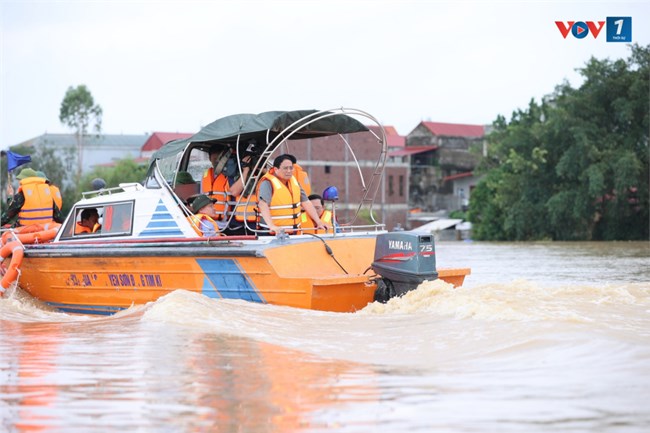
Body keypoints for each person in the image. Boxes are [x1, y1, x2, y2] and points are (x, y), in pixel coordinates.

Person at [257, 154, 328, 235]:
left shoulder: (294, 182)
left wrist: (319, 222)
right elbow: (263, 204)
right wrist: (271, 226)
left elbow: (306, 202)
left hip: (292, 232)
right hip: (271, 232)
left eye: (291, 168)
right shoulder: (267, 183)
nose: (289, 171)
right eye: (285, 168)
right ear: (276, 169)